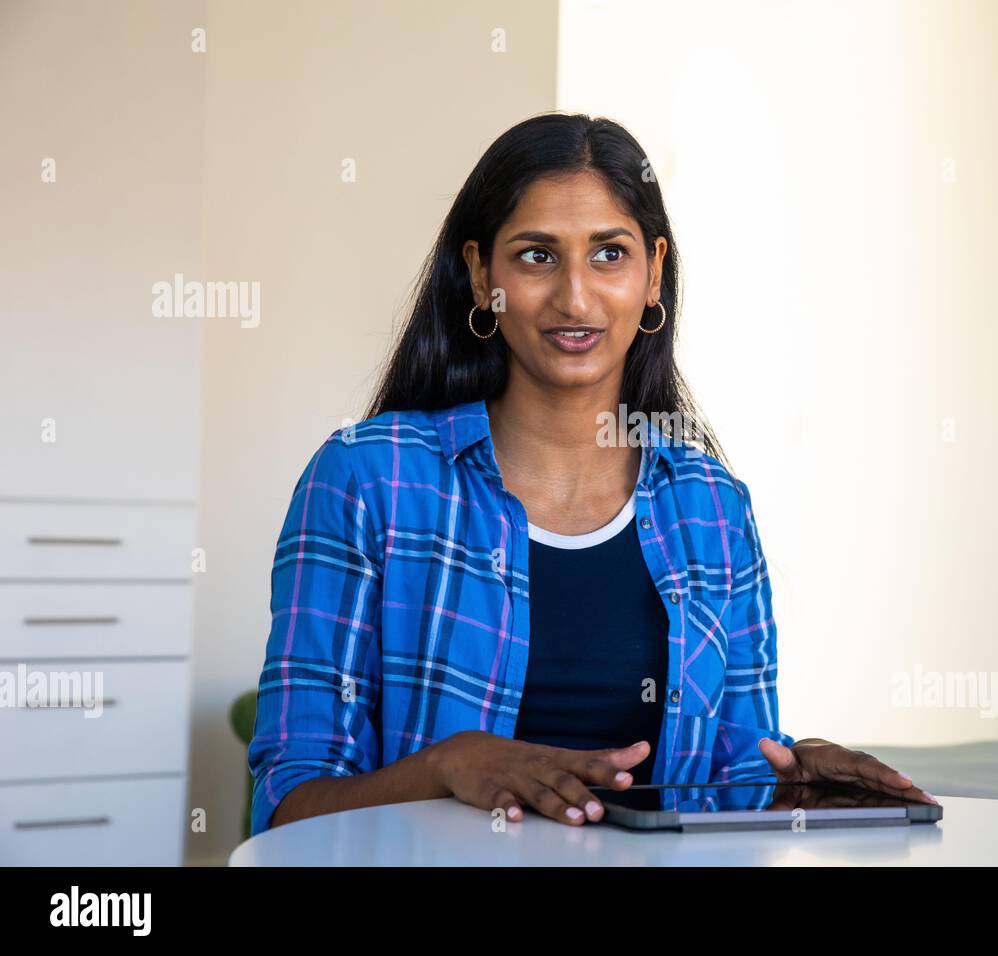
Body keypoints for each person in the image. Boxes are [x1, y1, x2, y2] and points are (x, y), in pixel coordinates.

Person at [247, 112, 935, 835]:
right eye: (537, 256)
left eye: (609, 254)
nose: (575, 298)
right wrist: (446, 766)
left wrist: (791, 786)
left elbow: (726, 779)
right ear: (482, 278)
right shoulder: (367, 479)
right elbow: (289, 805)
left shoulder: (712, 508)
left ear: (653, 274)